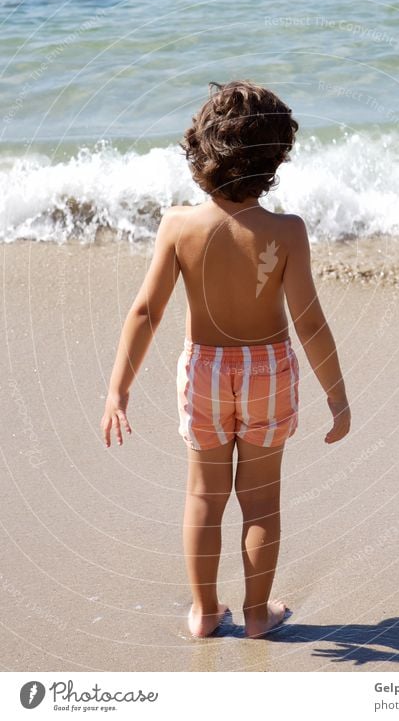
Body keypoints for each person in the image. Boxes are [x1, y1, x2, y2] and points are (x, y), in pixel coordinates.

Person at [100, 80, 351, 639]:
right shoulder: (286, 232)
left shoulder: (179, 225)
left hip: (206, 373)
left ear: (199, 151)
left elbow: (146, 312)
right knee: (261, 500)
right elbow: (309, 322)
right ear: (274, 158)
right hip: (269, 371)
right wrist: (337, 395)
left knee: (204, 497)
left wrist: (119, 389)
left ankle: (206, 613)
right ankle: (259, 614)